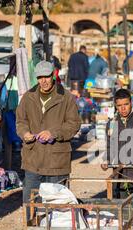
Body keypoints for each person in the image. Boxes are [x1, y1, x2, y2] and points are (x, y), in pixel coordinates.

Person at [16, 61, 81, 213]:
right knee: (31, 205)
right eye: (40, 77)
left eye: (46, 76)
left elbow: (74, 124)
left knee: (58, 205)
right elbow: (20, 121)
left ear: (53, 75)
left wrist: (53, 133)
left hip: (56, 161)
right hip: (33, 158)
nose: (43, 81)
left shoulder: (66, 97)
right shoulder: (28, 97)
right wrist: (25, 133)